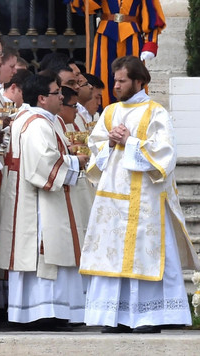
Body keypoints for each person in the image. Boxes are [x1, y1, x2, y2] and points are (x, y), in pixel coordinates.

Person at [81, 56, 200, 334]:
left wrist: (130, 142)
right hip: (112, 201)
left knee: (144, 257)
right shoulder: (109, 112)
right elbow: (94, 149)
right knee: (112, 257)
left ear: (139, 81)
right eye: (115, 80)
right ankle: (115, 318)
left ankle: (149, 317)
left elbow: (166, 155)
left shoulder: (156, 112)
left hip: (145, 201)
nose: (116, 85)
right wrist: (109, 141)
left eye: (122, 80)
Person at [0, 72, 89, 330]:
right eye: (56, 92)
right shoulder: (37, 123)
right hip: (38, 203)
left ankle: (41, 311)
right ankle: (45, 312)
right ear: (41, 98)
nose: (62, 96)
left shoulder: (34, 119)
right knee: (44, 254)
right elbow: (43, 164)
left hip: (30, 197)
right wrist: (74, 161)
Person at [67, 0, 166, 107]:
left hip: (131, 35)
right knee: (102, 75)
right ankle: (101, 110)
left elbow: (152, 15)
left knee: (132, 75)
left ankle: (136, 109)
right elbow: (86, 7)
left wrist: (150, 43)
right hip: (106, 34)